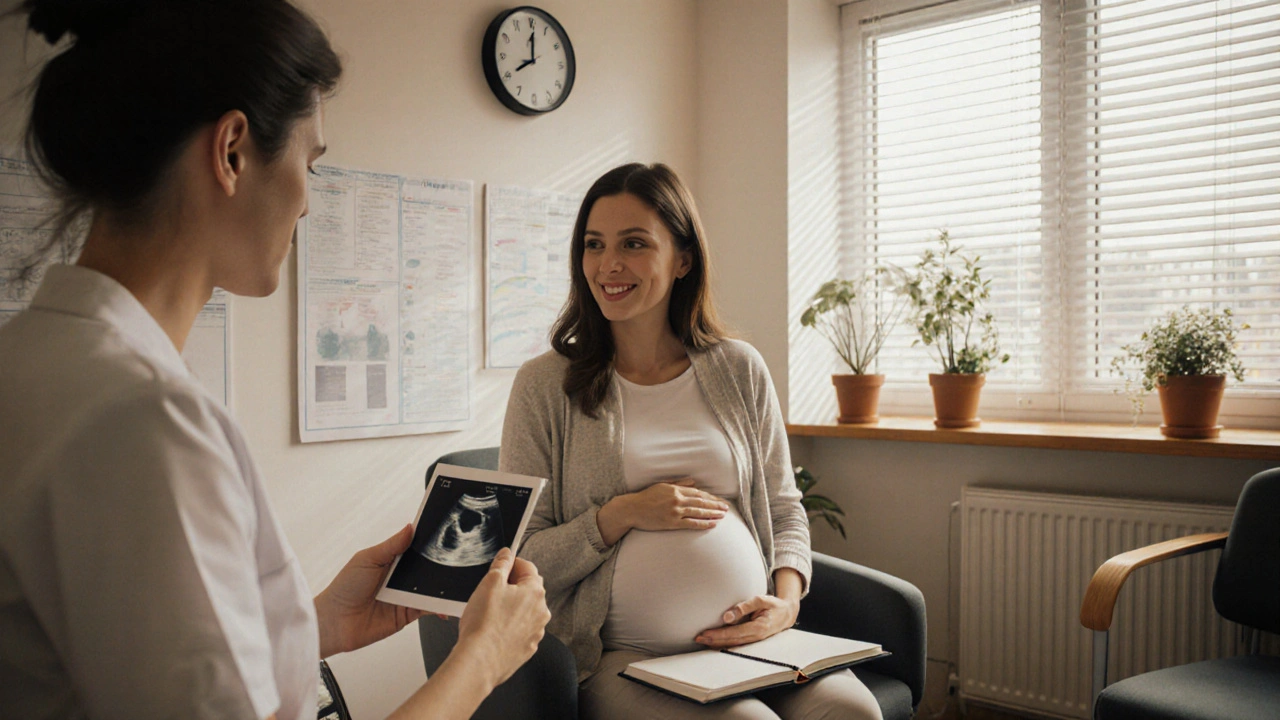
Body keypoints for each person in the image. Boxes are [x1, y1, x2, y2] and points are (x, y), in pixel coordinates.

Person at [0, 1, 550, 718]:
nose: (308, 205)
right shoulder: (142, 419)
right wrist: (481, 661)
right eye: (309, 164)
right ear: (232, 152)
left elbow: (123, 653)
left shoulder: (33, 359)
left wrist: (316, 625)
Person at [499, 163, 883, 719]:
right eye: (593, 244)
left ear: (683, 259)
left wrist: (786, 603)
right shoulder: (544, 385)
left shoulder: (738, 368)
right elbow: (520, 557)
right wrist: (621, 514)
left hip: (758, 642)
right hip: (623, 655)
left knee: (856, 712)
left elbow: (784, 507)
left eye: (633, 243)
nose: (608, 264)